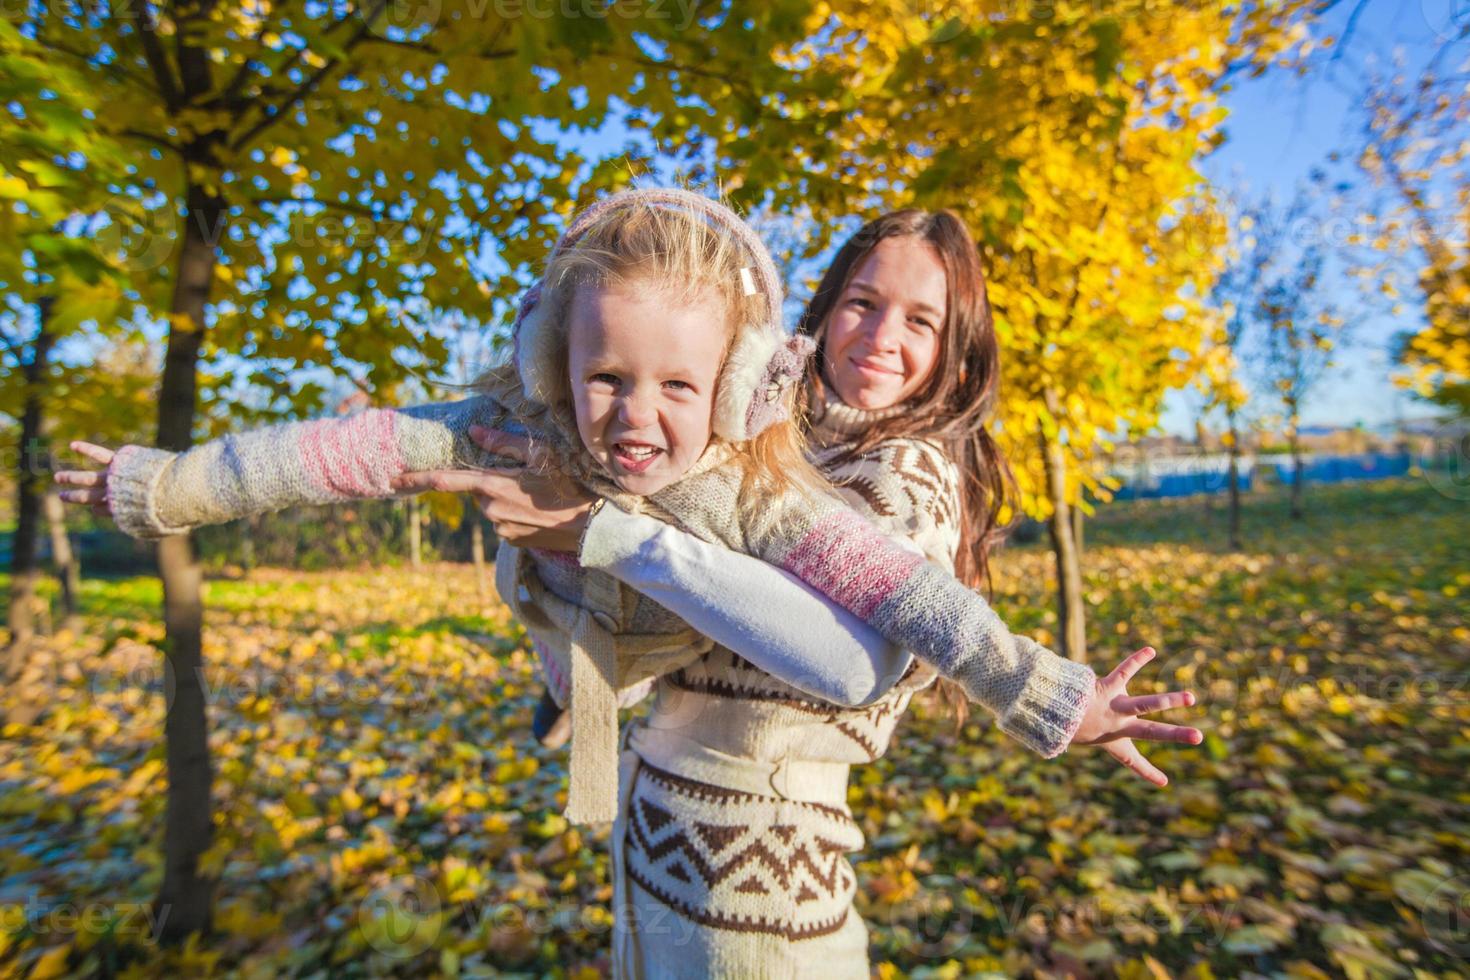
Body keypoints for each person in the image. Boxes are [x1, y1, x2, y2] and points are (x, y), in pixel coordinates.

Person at [58, 191, 1200, 977]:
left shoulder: (817, 470)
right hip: (660, 827)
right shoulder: (764, 429)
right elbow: (348, 449)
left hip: (764, 864)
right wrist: (170, 485)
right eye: (861, 300)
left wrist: (1052, 694)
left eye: (921, 318)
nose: (883, 336)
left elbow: (878, 637)